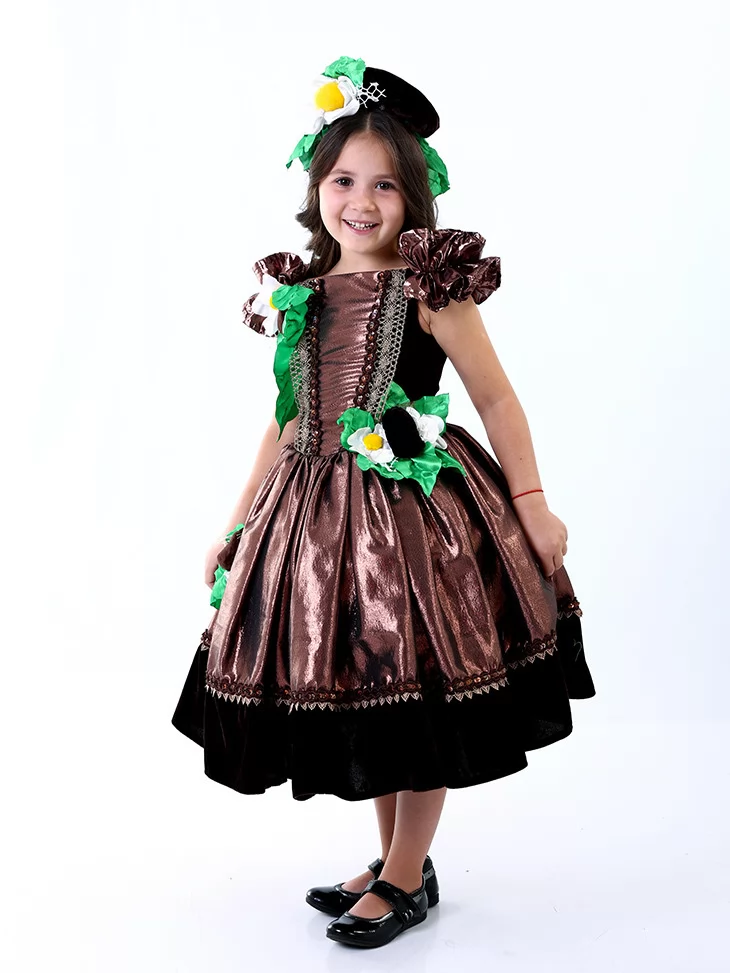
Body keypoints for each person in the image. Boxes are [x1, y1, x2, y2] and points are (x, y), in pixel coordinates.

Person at [171, 56, 596, 949]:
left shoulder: (430, 287)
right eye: (343, 180)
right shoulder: (299, 294)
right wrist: (238, 521)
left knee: (419, 686)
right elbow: (288, 419)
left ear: (414, 197)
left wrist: (532, 502)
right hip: (314, 520)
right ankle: (399, 859)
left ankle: (406, 872)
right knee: (370, 690)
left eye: (384, 186)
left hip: (413, 520)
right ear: (315, 186)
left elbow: (497, 398)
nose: (360, 202)